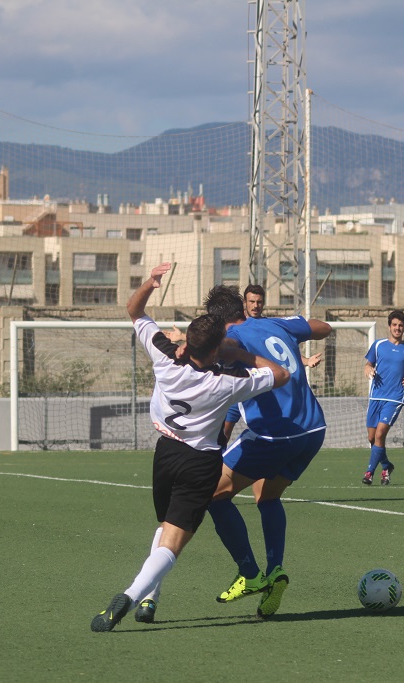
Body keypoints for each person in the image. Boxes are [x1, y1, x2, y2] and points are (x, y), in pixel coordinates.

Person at [90, 263, 290, 632]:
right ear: (215, 349)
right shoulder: (226, 381)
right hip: (200, 463)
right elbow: (282, 374)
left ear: (187, 342)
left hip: (166, 453)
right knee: (173, 542)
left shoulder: (165, 355)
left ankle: (150, 598)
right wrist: (241, 355)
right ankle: (131, 595)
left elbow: (134, 310)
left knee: (165, 526)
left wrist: (151, 284)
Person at [203, 284, 332, 618]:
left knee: (211, 494)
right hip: (312, 430)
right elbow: (324, 327)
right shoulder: (275, 323)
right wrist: (294, 331)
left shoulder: (233, 339)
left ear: (217, 322)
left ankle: (249, 573)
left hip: (275, 436)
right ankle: (275, 570)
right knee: (267, 496)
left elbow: (225, 350)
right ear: (242, 308)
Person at [218, 284, 322, 445]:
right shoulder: (235, 328)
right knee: (225, 428)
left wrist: (306, 361)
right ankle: (220, 450)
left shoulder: (270, 324)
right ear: (244, 303)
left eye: (259, 302)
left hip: (263, 386)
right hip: (242, 383)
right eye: (252, 302)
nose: (255, 306)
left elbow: (282, 354)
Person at [362, 310, 404, 485]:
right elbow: (368, 363)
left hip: (396, 397)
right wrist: (368, 368)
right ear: (389, 326)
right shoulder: (378, 345)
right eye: (395, 325)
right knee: (372, 438)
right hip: (376, 396)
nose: (397, 328)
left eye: (401, 325)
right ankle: (386, 466)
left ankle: (369, 472)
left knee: (380, 434)